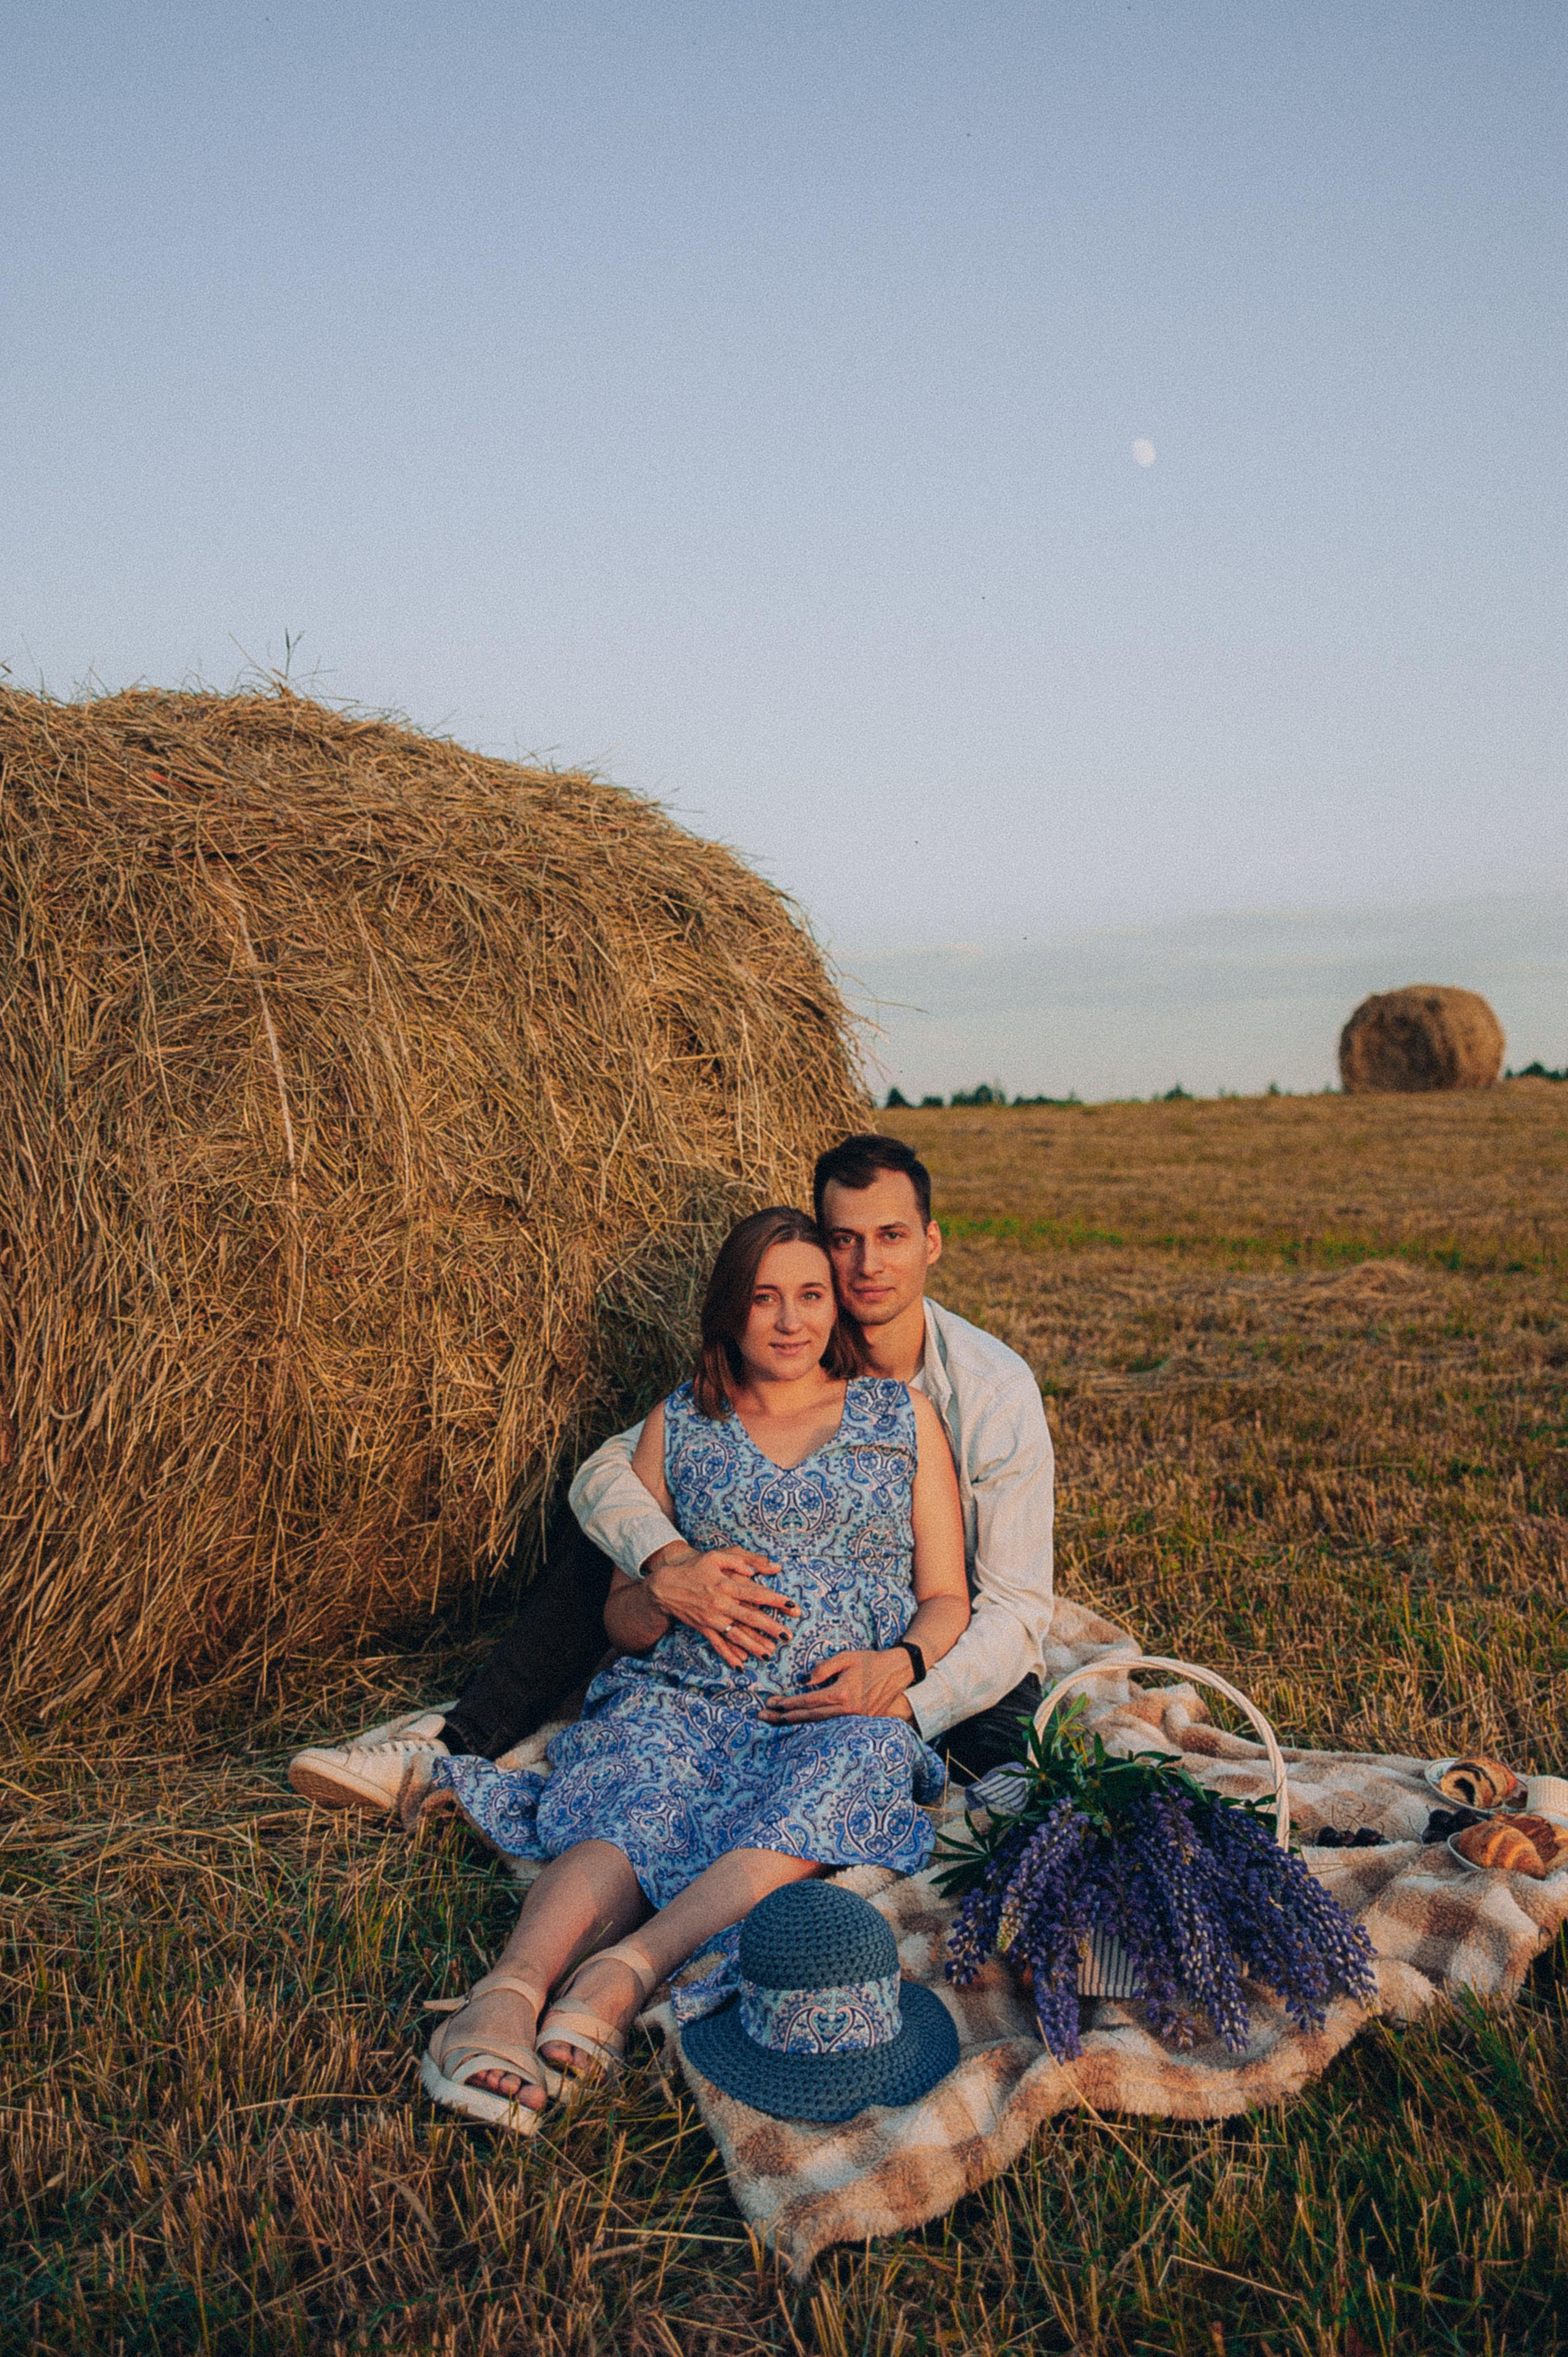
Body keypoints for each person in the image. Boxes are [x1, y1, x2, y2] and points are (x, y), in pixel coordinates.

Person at [288, 1132, 1056, 1812]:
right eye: (843, 1239)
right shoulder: (788, 1341)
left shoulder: (989, 1389)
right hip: (746, 1635)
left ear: (932, 1242)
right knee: (616, 1534)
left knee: (1011, 1796)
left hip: (932, 1634)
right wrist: (668, 1562)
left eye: (890, 1235)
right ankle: (456, 1742)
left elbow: (1014, 1608)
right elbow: (604, 1475)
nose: (866, 1264)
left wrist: (909, 1693)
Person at [417, 1205, 970, 2124]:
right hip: (683, 1687)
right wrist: (664, 1589)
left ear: (836, 1307)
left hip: (825, 1708)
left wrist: (898, 1662)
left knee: (857, 1767)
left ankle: (625, 1969)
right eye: (764, 1298)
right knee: (637, 1788)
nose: (790, 1321)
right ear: (728, 1310)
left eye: (809, 1296)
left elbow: (947, 1595)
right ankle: (505, 1992)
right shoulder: (678, 1420)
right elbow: (623, 1620)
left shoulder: (899, 1415)